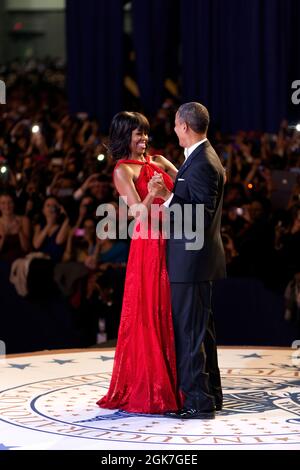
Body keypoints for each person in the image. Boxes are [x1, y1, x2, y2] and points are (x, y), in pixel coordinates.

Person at [96, 111, 182, 414]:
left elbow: (185, 181)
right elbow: (136, 214)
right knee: (149, 310)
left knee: (170, 310)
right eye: (137, 134)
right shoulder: (123, 170)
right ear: (124, 137)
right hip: (147, 245)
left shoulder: (159, 161)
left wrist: (168, 191)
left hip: (173, 239)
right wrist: (154, 194)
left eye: (144, 133)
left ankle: (176, 381)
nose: (144, 138)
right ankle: (152, 387)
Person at [149, 102, 226, 419]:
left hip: (191, 262)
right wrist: (172, 175)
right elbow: (193, 195)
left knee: (190, 335)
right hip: (196, 262)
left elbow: (200, 215)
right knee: (201, 333)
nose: (174, 130)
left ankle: (198, 402)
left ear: (184, 126)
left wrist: (164, 196)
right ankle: (211, 395)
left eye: (176, 125)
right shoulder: (201, 159)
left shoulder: (203, 162)